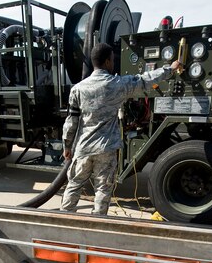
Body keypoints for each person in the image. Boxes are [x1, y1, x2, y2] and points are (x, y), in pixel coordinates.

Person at [60, 42, 181, 215]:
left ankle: (64, 220)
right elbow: (145, 80)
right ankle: (97, 226)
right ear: (107, 62)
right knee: (102, 189)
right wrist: (170, 69)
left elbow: (71, 121)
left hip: (83, 148)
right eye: (112, 59)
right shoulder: (118, 85)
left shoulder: (77, 89)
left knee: (74, 185)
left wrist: (67, 146)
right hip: (106, 149)